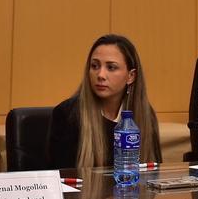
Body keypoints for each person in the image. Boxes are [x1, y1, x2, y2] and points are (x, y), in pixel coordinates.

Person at [47, 34, 163, 171]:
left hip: (131, 191)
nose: (100, 75)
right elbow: (61, 180)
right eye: (95, 66)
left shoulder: (145, 114)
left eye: (111, 67)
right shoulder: (69, 114)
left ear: (131, 76)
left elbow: (153, 174)